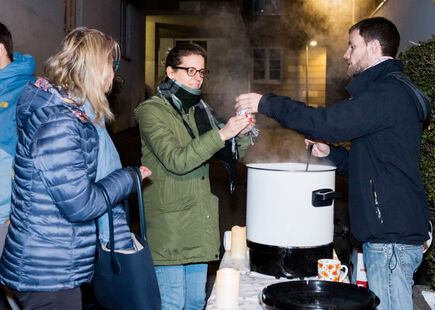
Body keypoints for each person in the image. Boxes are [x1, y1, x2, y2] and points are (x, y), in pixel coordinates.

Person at [235, 17, 429, 310]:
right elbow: (367, 166)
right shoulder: (386, 93)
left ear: (373, 47)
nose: (345, 54)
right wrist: (332, 155)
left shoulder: (386, 94)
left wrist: (266, 103)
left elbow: (323, 123)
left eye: (352, 46)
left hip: (391, 237)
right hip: (390, 235)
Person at [0, 27, 151, 310]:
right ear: (95, 67)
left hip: (50, 265)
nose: (113, 74)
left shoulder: (62, 112)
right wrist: (128, 178)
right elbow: (80, 205)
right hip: (48, 274)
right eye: (111, 64)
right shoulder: (60, 122)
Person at [135, 43, 255, 309]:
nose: (198, 77)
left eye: (202, 71)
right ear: (170, 72)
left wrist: (242, 133)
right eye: (190, 70)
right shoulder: (152, 111)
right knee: (173, 303)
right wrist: (223, 133)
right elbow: (177, 160)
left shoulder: (198, 110)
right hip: (170, 226)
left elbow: (226, 154)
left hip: (197, 220)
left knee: (194, 302)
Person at [0, 22, 35, 257]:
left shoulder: (27, 90)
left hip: (7, 214)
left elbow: (37, 154)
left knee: (16, 287)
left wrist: (21, 211)